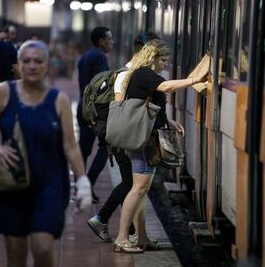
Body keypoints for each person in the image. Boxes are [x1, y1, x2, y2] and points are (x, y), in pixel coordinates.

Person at [0, 40, 92, 267]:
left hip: (49, 183)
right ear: (18, 64)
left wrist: (82, 179)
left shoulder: (58, 99)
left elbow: (70, 144)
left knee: (42, 247)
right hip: (11, 183)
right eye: (26, 61)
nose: (32, 66)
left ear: (47, 65)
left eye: (38, 61)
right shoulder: (3, 92)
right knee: (16, 253)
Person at [113, 39, 209, 253]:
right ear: (153, 57)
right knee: (138, 189)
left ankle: (142, 237)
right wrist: (194, 80)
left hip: (144, 135)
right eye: (163, 60)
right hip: (144, 140)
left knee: (141, 190)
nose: (165, 63)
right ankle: (122, 238)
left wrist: (169, 122)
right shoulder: (146, 74)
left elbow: (152, 106)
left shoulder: (141, 74)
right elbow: (165, 87)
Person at [87, 32, 160, 243]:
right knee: (132, 185)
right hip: (124, 136)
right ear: (149, 51)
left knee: (133, 185)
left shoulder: (130, 72)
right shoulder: (129, 74)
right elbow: (123, 109)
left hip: (124, 135)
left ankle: (136, 234)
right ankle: (109, 223)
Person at [77, 26, 114, 203]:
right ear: (101, 41)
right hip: (95, 109)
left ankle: (81, 187)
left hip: (82, 106)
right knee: (106, 147)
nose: (112, 42)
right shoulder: (100, 57)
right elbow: (102, 86)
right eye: (110, 39)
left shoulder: (85, 55)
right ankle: (88, 183)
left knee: (83, 149)